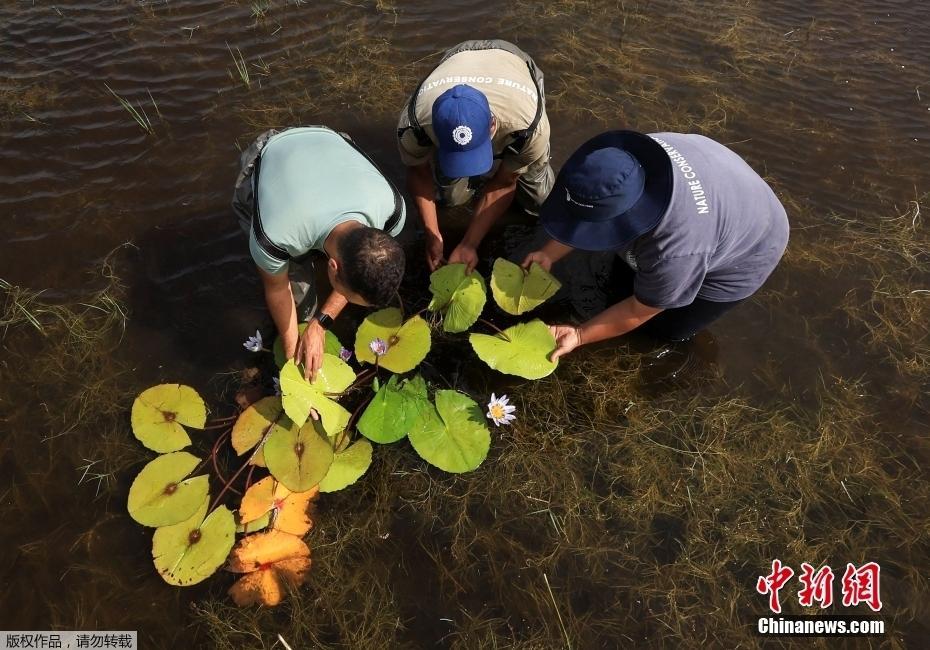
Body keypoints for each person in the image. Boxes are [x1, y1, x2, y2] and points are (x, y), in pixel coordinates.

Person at [523, 130, 789, 360]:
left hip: (752, 246)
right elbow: (586, 212)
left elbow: (640, 310)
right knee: (623, 278)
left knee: (666, 328)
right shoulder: (626, 162)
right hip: (721, 182)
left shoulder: (675, 250)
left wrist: (580, 335)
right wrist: (549, 253)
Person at [232, 126, 406, 380]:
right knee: (296, 295)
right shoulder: (275, 236)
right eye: (347, 293)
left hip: (329, 140)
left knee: (312, 310)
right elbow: (277, 289)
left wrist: (320, 323)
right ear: (332, 267)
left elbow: (359, 269)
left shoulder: (393, 212)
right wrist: (293, 364)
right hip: (271, 152)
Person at [397, 39, 553, 273]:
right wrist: (433, 234)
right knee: (451, 199)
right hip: (457, 59)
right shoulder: (414, 125)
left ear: (492, 126)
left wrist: (470, 243)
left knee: (539, 203)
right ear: (436, 133)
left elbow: (505, 182)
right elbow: (418, 172)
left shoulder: (529, 127)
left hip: (511, 62)